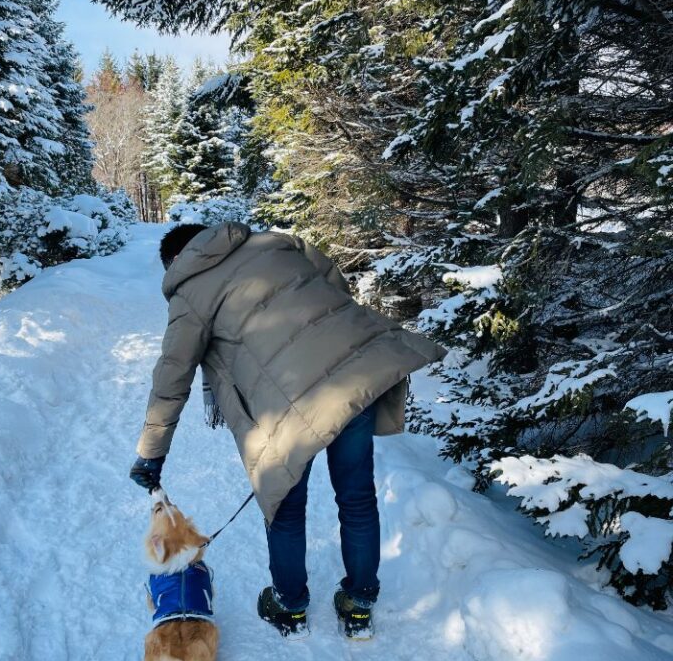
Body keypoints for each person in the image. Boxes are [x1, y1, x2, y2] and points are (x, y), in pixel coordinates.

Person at [130, 222, 445, 638]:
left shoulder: (191, 291)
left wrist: (152, 452)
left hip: (285, 406)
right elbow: (334, 282)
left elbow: (172, 376)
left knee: (284, 506)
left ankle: (290, 604)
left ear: (175, 261)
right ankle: (359, 603)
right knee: (357, 497)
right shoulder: (279, 244)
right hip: (354, 377)